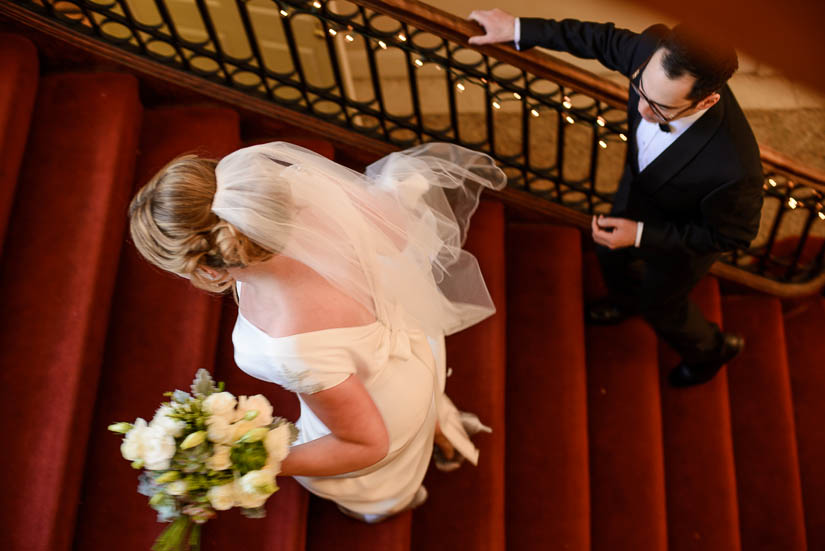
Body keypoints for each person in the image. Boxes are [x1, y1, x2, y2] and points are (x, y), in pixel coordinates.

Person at [128, 141, 504, 521]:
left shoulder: (293, 345)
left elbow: (366, 445)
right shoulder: (302, 198)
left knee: (362, 483)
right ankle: (438, 430)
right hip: (406, 344)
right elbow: (399, 239)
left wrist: (250, 463)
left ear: (208, 270)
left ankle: (410, 471)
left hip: (382, 403)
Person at [468, 10, 764, 387]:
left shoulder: (735, 169)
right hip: (636, 191)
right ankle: (623, 301)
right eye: (640, 87)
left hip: (677, 243)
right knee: (609, 253)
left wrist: (640, 235)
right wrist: (519, 29)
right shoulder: (652, 50)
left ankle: (710, 350)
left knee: (662, 307)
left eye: (660, 108)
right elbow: (599, 39)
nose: (641, 110)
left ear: (705, 103)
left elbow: (729, 237)